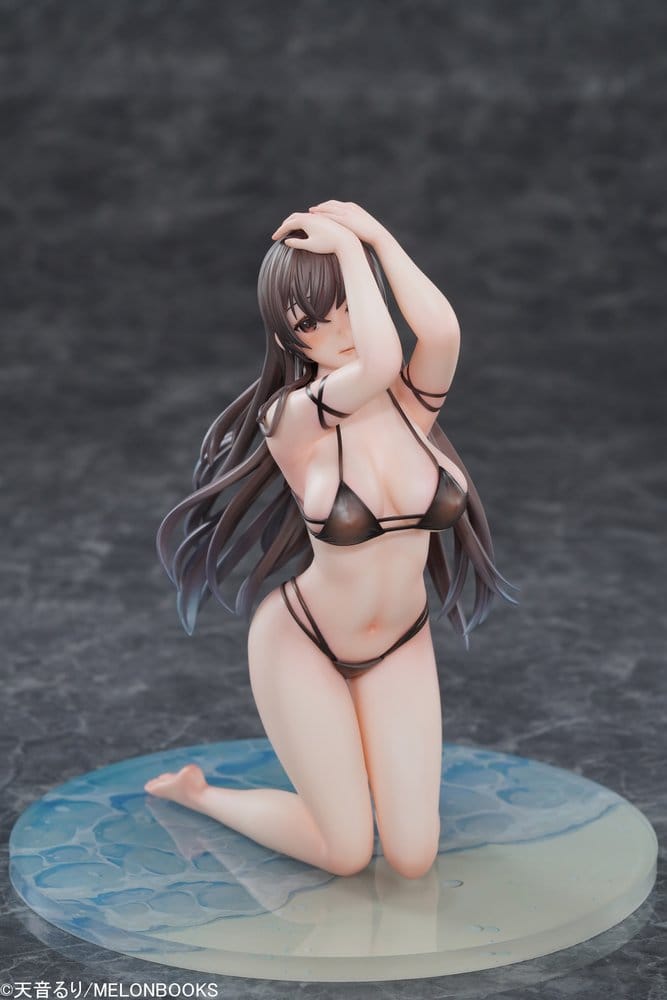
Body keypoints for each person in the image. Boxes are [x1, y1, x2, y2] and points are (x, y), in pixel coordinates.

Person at [144, 201, 517, 879]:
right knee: (343, 853)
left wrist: (373, 236)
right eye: (311, 322)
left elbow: (439, 330)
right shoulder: (292, 418)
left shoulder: (412, 406)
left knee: (412, 857)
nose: (338, 330)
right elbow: (379, 358)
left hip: (400, 641)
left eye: (347, 306)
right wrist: (345, 250)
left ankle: (341, 777)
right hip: (303, 641)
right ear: (288, 339)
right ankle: (199, 796)